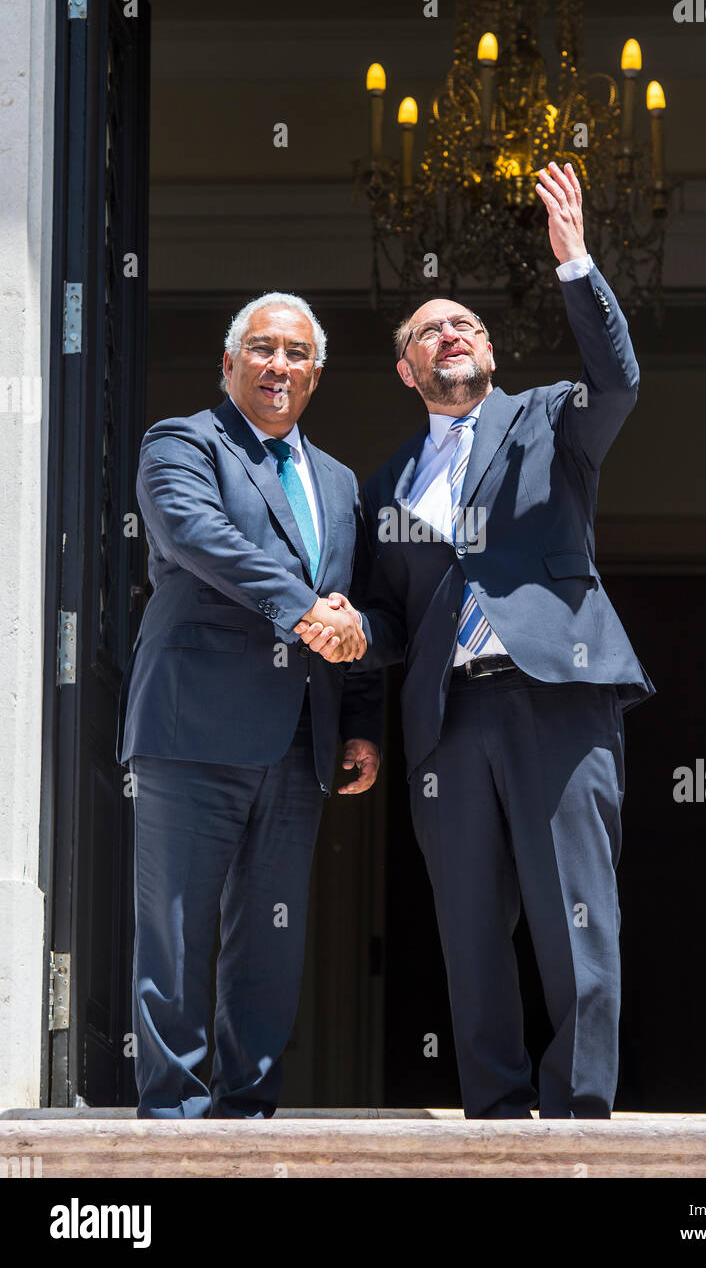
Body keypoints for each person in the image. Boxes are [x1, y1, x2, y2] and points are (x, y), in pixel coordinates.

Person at [296, 162, 655, 1119]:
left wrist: (576, 262)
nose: (450, 332)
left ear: (490, 351)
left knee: (573, 912)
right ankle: (494, 1110)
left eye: (466, 323)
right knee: (465, 924)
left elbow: (615, 378)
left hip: (554, 696)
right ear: (407, 370)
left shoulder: (549, 423)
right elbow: (388, 620)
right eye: (427, 330)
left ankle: (578, 1108)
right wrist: (352, 670)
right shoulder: (385, 486)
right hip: (447, 721)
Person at [116, 292, 380, 1118]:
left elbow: (353, 602)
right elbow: (196, 535)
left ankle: (247, 1109)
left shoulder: (337, 481)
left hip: (300, 740)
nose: (278, 366)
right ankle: (172, 1114)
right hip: (192, 727)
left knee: (269, 937)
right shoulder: (181, 443)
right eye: (261, 349)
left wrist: (362, 722)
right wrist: (304, 608)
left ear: (316, 374)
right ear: (228, 364)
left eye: (296, 354)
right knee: (178, 929)